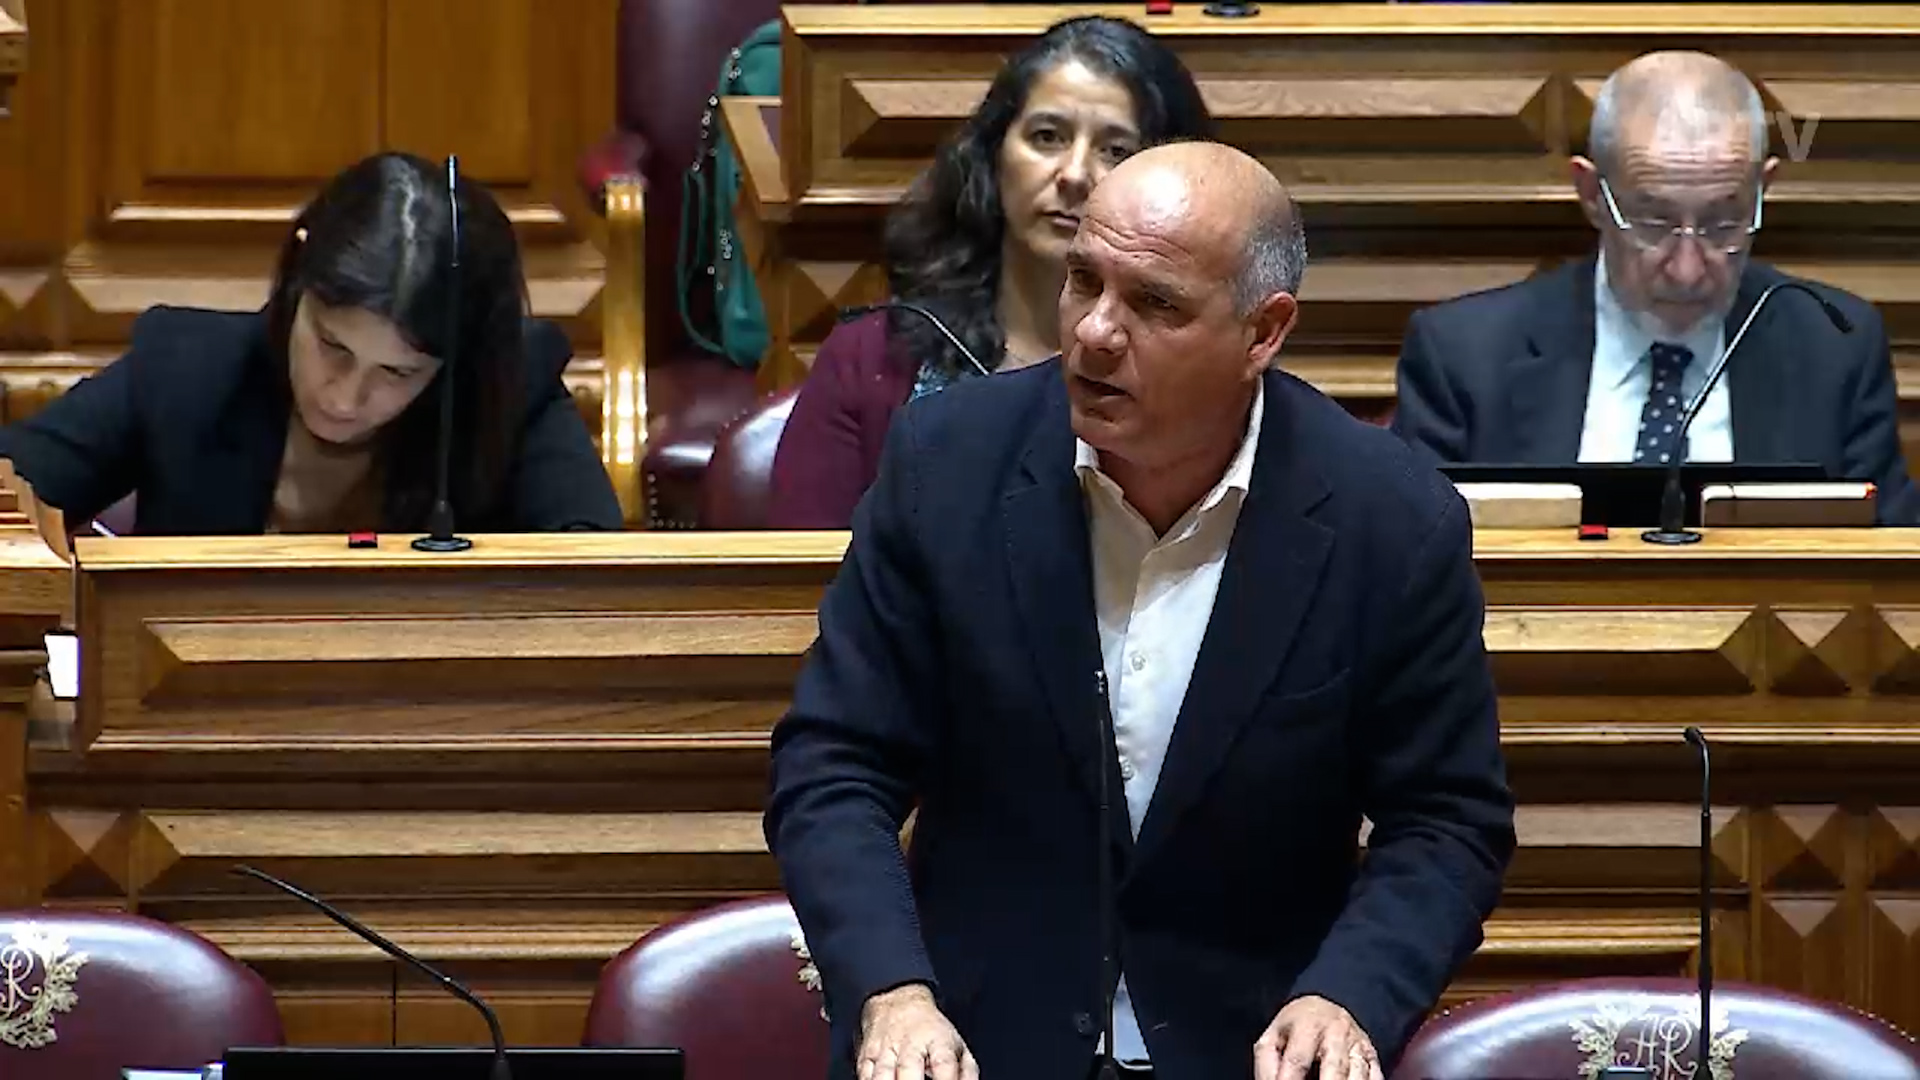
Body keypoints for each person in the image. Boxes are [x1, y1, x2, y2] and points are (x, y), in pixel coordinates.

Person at [764, 141, 1515, 1080]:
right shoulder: (945, 464)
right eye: (1084, 279)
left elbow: (1446, 822)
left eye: (1155, 304)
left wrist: (1347, 996)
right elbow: (834, 764)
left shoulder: (1390, 520)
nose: (1095, 332)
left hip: (1248, 1053)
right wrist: (891, 990)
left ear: (1264, 331)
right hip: (969, 1046)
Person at [1392, 50, 1920, 524]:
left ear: (1764, 190)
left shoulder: (1835, 347)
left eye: (1723, 223)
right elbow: (1409, 557)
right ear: (1592, 194)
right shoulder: (1465, 357)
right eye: (1652, 223)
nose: (1688, 269)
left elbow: (1888, 562)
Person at [0, 151, 622, 535]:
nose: (346, 398)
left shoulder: (511, 393)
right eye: (331, 346)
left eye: (398, 373)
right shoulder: (184, 368)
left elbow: (594, 576)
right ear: (296, 287)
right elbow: (12, 493)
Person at [764, 14, 1215, 529]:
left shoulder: (1205, 376)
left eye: (1116, 150)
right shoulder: (873, 360)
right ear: (994, 155)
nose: (1073, 175)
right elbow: (808, 569)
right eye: (1047, 136)